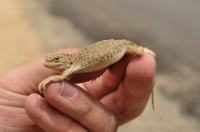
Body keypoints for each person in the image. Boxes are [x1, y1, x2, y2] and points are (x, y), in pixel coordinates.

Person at [0, 48, 156, 132]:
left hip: (122, 47)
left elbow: (60, 77)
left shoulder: (72, 63)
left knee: (143, 61)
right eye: (50, 60)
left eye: (55, 60)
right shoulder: (73, 64)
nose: (49, 64)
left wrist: (50, 78)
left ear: (65, 59)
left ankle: (143, 51)